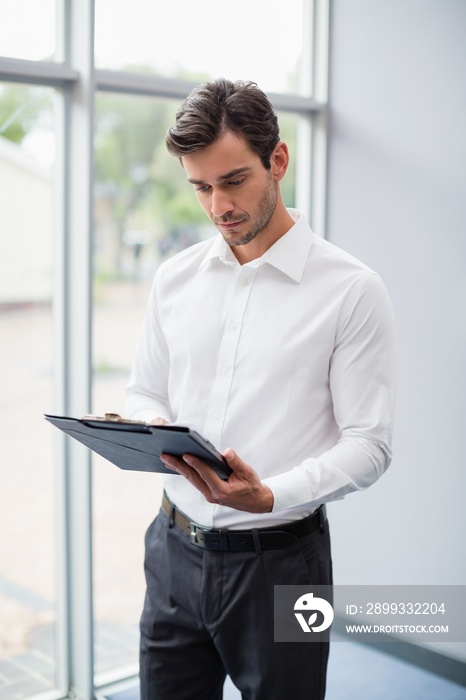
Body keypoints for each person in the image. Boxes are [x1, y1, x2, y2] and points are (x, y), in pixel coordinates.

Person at [125, 78, 395, 700]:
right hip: (173, 549)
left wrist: (271, 495)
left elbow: (371, 444)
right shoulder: (175, 278)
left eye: (234, 180)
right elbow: (145, 391)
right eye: (201, 187)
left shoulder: (351, 290)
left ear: (278, 161)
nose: (218, 205)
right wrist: (142, 431)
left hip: (283, 566)